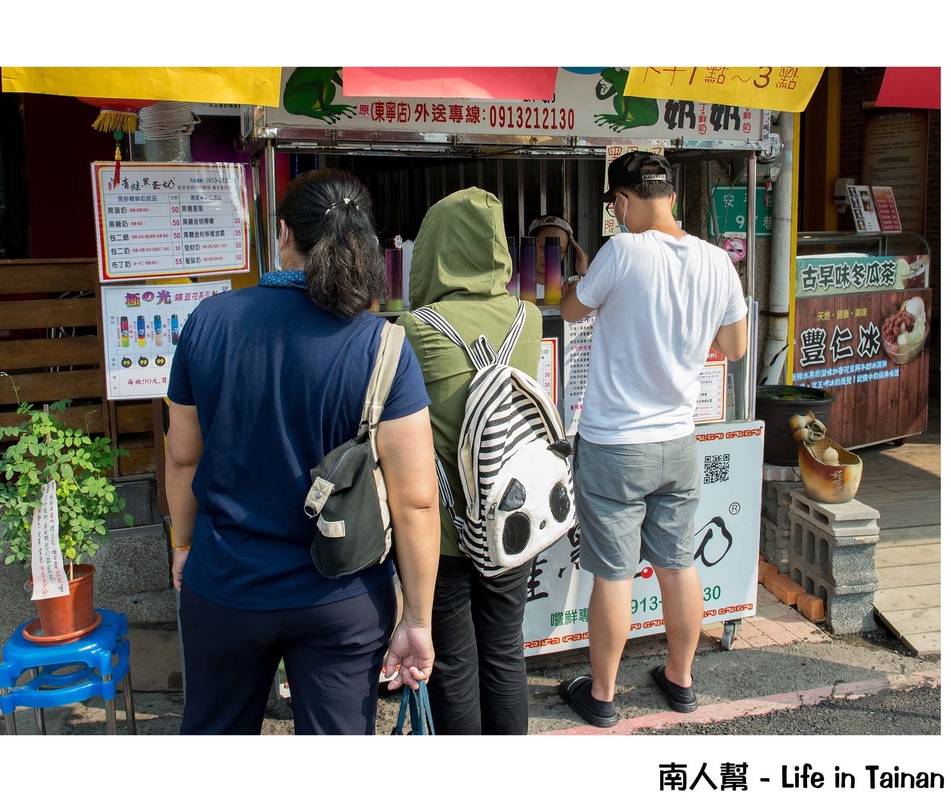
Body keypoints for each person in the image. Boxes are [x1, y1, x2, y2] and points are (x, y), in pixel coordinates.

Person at [166, 168, 440, 735]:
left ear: (283, 232)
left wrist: (183, 545)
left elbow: (182, 459)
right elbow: (416, 501)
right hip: (341, 596)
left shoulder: (208, 322)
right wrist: (417, 617)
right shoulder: (380, 343)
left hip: (225, 584)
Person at [556, 151, 748, 728]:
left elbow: (569, 311)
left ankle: (604, 695)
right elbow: (735, 347)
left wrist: (578, 281)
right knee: (678, 563)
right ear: (671, 195)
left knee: (613, 574)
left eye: (615, 203)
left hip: (616, 444)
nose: (616, 213)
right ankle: (681, 679)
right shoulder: (718, 262)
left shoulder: (622, 251)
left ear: (623, 200)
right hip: (678, 443)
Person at [397, 187, 543, 735]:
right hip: (510, 522)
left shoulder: (415, 328)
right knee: (506, 649)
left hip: (445, 530)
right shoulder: (526, 318)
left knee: (454, 663)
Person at [527, 214, 590, 281]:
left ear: (565, 253)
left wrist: (583, 274)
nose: (549, 257)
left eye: (558, 251)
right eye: (543, 247)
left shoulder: (568, 287)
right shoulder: (515, 284)